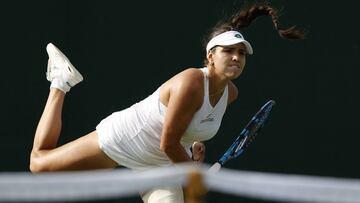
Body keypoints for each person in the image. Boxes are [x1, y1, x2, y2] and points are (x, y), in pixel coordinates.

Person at [30, 2, 304, 203]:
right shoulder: (191, 82)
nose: (236, 58)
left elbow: (188, 130)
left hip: (160, 165)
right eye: (228, 51)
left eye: (241, 54)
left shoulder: (231, 94)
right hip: (127, 139)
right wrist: (193, 172)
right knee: (39, 165)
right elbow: (168, 142)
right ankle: (60, 82)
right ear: (210, 57)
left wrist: (195, 149)